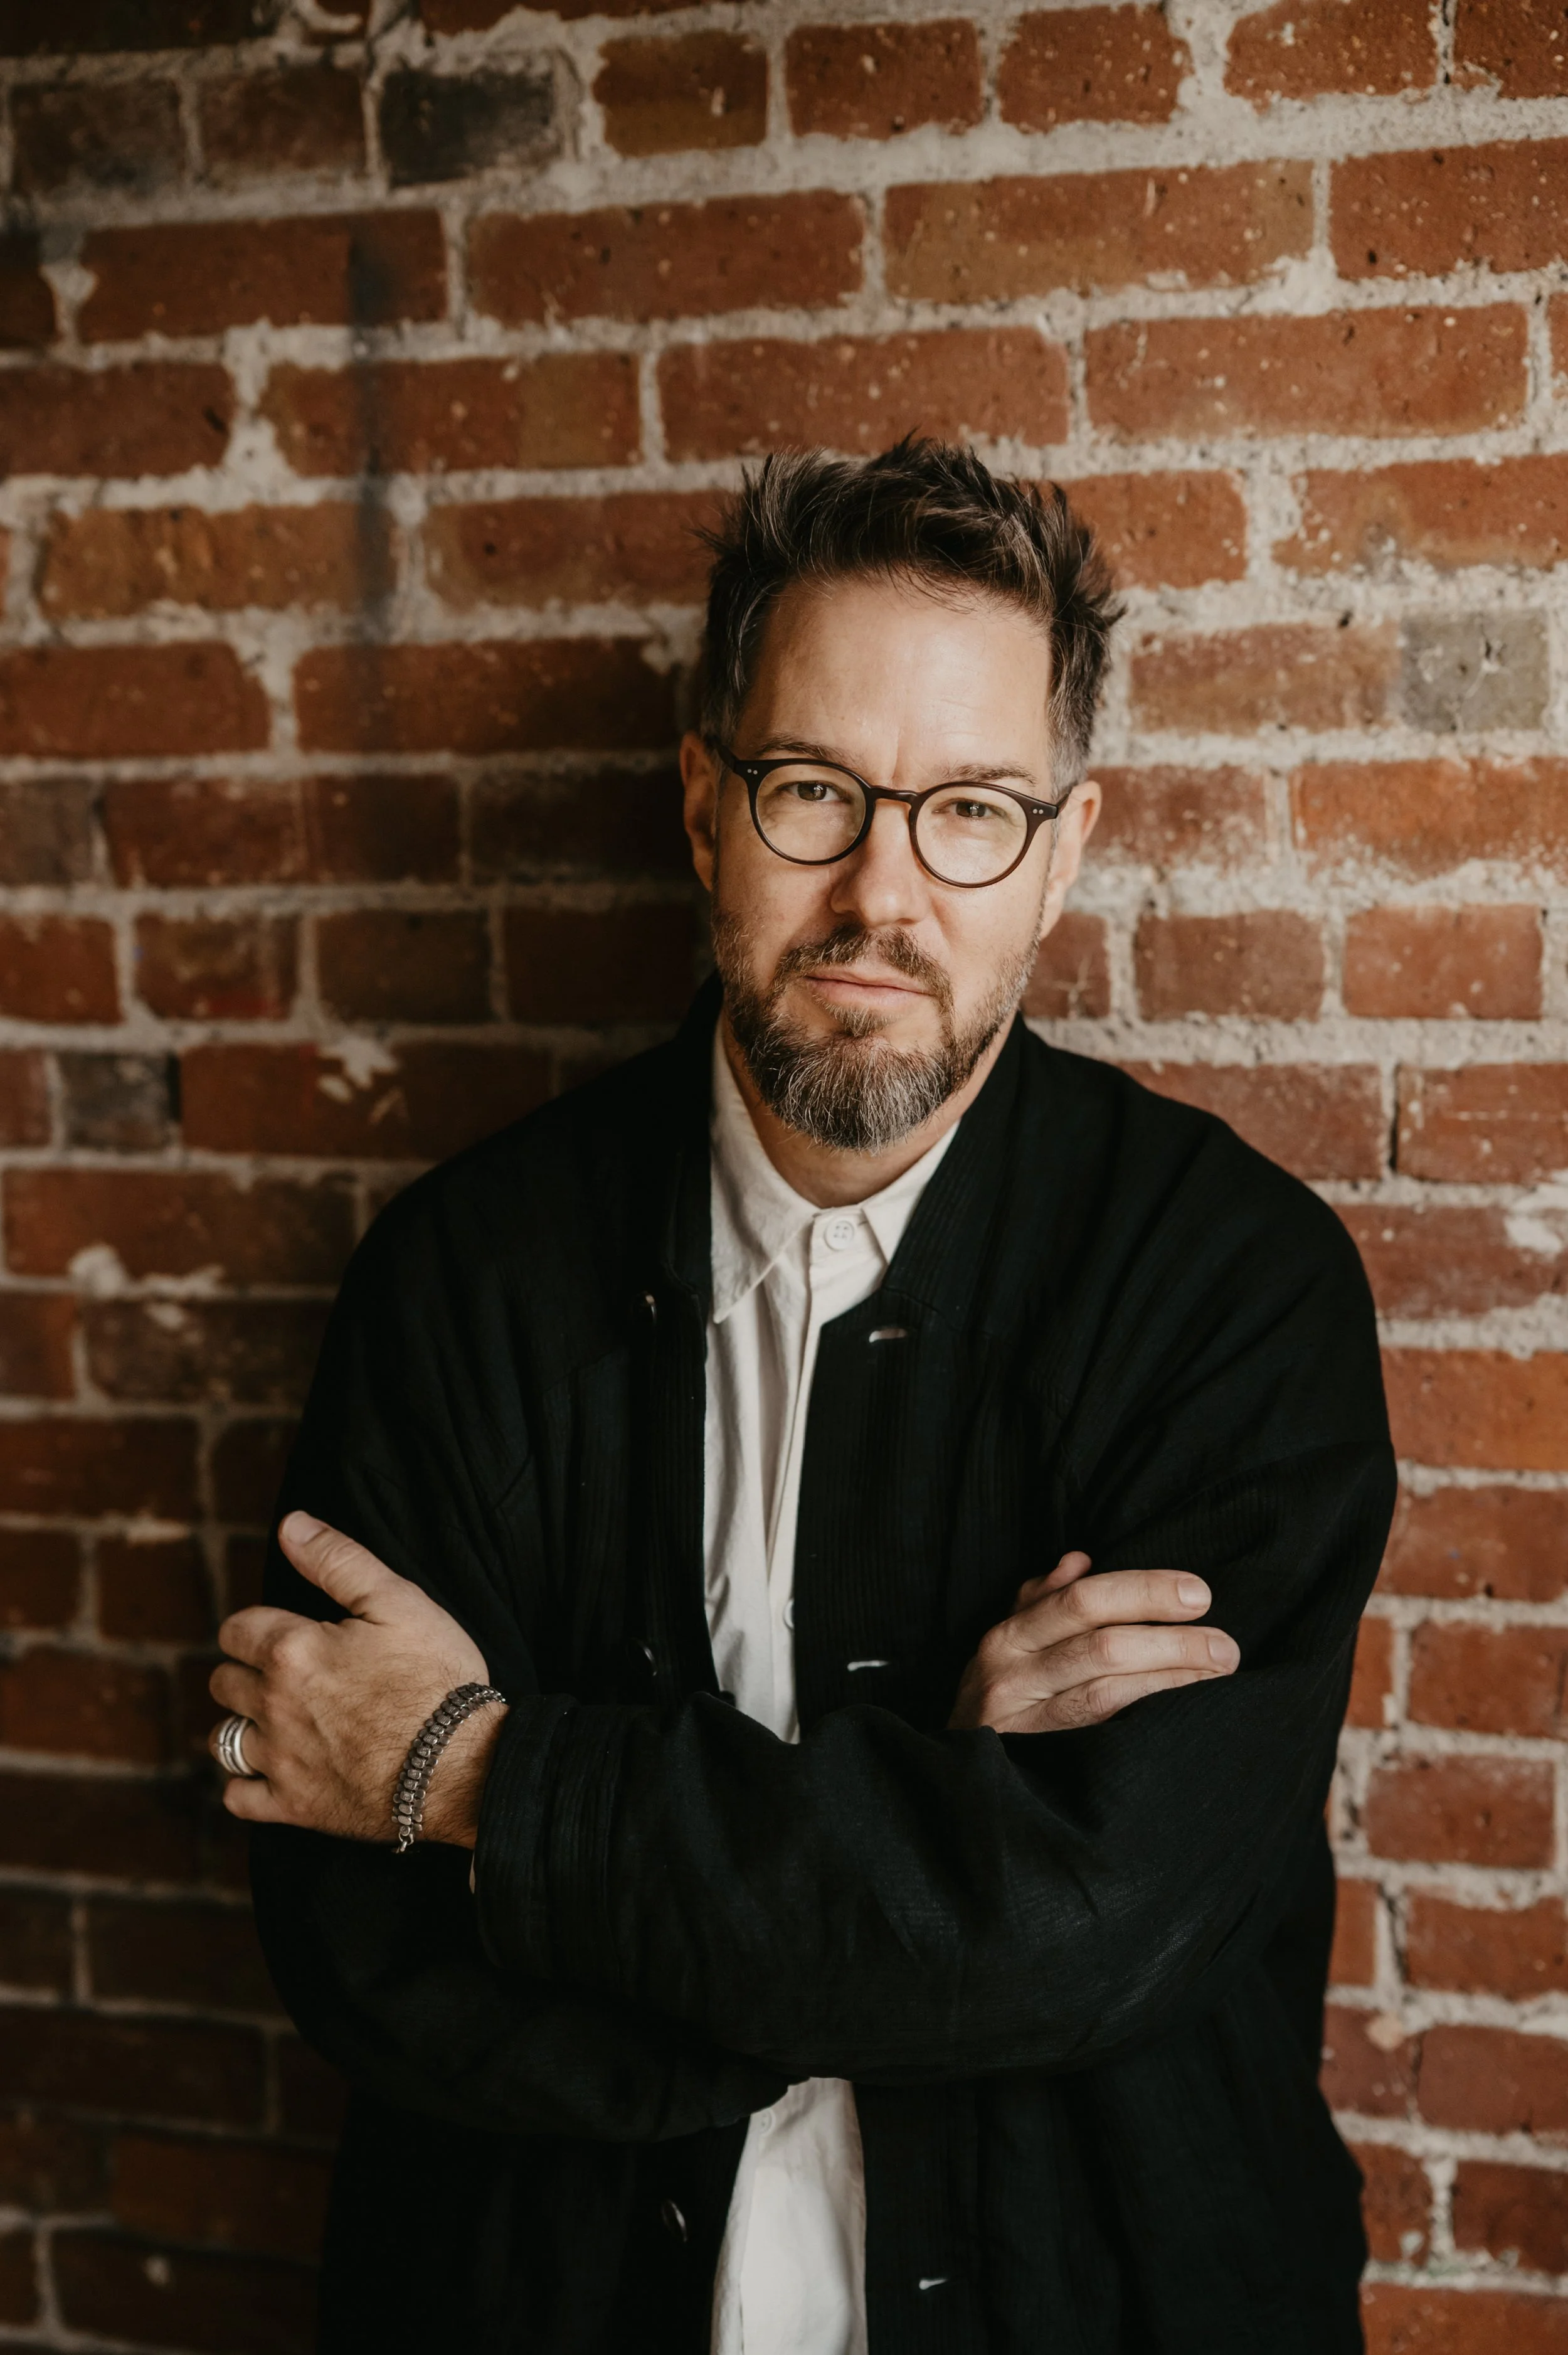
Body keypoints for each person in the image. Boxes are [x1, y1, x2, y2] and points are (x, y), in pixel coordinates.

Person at [215, 440, 1394, 2354]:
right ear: (704, 807)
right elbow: (364, 1947)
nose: (879, 892)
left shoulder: (1231, 1293)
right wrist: (931, 1871)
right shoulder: (458, 1278)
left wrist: (482, 1780)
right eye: (814, 792)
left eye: (970, 813)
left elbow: (1094, 1932)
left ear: (1064, 851)